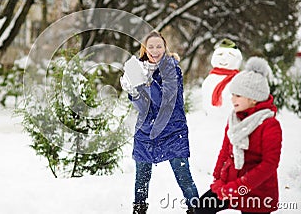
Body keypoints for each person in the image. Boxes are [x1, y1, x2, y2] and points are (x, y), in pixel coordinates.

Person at [120, 31, 199, 214]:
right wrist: (133, 91)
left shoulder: (172, 69)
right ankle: (139, 210)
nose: (155, 50)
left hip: (172, 130)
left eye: (159, 46)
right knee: (141, 178)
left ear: (165, 48)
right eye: (151, 47)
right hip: (146, 131)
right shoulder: (139, 69)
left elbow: (165, 101)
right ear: (144, 49)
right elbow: (143, 107)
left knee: (184, 176)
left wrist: (146, 82)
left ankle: (196, 210)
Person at [195, 57, 282, 214]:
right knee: (201, 208)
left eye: (238, 95)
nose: (232, 98)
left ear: (253, 98)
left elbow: (269, 165)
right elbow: (225, 150)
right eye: (233, 94)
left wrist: (238, 188)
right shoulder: (235, 119)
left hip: (257, 192)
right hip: (229, 185)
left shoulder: (269, 125)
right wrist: (218, 179)